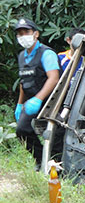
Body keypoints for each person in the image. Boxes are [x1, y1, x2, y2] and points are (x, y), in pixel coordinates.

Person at [14, 18, 60, 168]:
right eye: (20, 33)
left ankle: (57, 167)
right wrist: (20, 104)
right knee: (22, 130)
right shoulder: (22, 56)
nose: (23, 36)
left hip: (51, 102)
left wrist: (38, 99)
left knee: (57, 137)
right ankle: (41, 160)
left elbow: (53, 78)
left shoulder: (46, 53)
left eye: (26, 32)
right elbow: (23, 81)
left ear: (36, 34)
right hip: (32, 100)